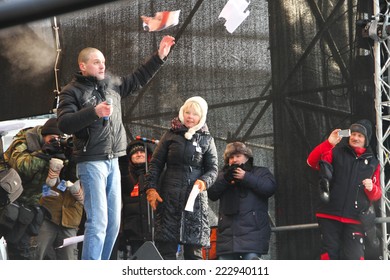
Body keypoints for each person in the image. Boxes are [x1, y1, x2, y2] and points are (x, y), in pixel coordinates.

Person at [56, 35, 175, 260]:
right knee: (98, 220)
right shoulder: (71, 91)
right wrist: (94, 112)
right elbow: (64, 123)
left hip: (113, 160)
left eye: (103, 61)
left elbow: (137, 79)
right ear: (83, 66)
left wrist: (159, 57)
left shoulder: (110, 87)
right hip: (91, 161)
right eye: (96, 62)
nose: (102, 65)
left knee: (113, 222)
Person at [144, 96, 218, 260]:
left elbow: (213, 169)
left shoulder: (207, 139)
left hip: (195, 202)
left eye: (195, 114)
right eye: (187, 112)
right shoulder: (170, 135)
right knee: (166, 252)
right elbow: (155, 164)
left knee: (194, 254)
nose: (190, 116)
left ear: (202, 117)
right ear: (182, 113)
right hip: (168, 199)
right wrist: (151, 189)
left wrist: (204, 182)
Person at [2, 118, 83, 260]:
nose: (56, 141)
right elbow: (21, 166)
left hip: (29, 204)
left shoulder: (57, 148)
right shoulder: (25, 139)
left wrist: (70, 160)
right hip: (8, 197)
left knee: (22, 250)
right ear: (43, 135)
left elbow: (63, 181)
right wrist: (43, 154)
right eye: (52, 138)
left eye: (59, 138)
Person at [307, 119, 382, 260]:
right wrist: (329, 143)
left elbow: (376, 195)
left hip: (356, 219)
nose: (355, 138)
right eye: (353, 134)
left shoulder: (373, 162)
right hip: (329, 214)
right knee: (329, 257)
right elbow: (311, 161)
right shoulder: (335, 152)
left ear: (366, 139)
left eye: (360, 135)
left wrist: (371, 189)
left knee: (356, 258)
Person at [207, 142, 276, 260]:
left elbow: (269, 188)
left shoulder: (260, 172)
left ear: (247, 157)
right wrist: (225, 179)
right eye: (231, 157)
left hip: (252, 235)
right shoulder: (223, 175)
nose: (234, 160)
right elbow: (211, 193)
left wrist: (246, 177)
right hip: (227, 238)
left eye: (238, 156)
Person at [119, 140, 154, 258]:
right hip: (133, 233)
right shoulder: (124, 175)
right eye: (135, 153)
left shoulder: (156, 174)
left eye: (141, 151)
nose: (139, 154)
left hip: (155, 231)